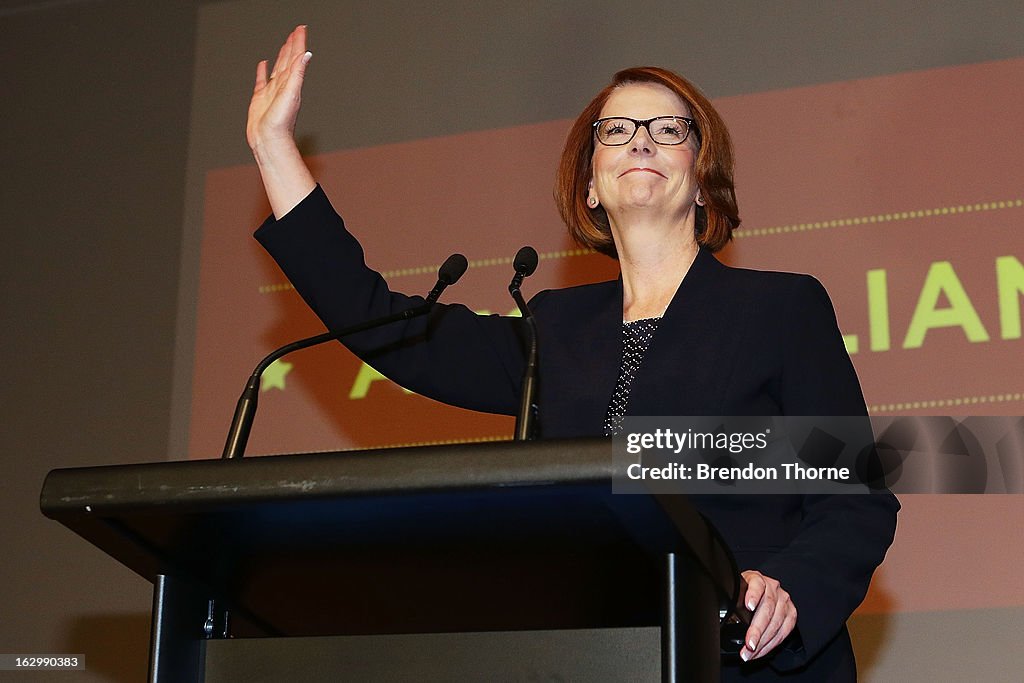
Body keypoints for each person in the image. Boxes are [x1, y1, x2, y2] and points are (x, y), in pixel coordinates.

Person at [247, 26, 898, 681]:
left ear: (704, 183)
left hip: (744, 660)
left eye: (670, 130)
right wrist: (275, 150)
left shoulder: (781, 308)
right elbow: (383, 323)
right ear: (589, 187)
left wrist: (786, 589)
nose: (640, 138)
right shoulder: (553, 328)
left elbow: (855, 501)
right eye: (615, 131)